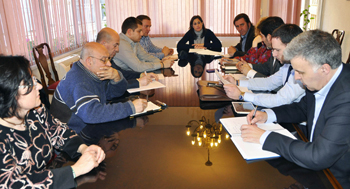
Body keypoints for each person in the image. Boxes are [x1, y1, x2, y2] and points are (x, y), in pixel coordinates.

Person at [241, 30, 350, 188]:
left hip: (335, 179)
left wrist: (265, 137)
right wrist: (267, 115)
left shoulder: (346, 98)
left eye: (300, 72)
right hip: (313, 167)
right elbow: (302, 108)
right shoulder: (320, 79)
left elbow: (318, 156)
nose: (296, 77)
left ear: (324, 69)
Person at [0, 56, 105, 188]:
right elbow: (13, 184)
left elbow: (59, 131)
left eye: (34, 79)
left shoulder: (35, 111)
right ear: (9, 93)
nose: (38, 86)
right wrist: (76, 169)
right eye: (30, 83)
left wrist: (84, 149)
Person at [50, 42, 147, 133]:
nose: (109, 64)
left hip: (87, 128)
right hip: (72, 137)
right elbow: (92, 114)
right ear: (89, 61)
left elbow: (113, 94)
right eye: (104, 60)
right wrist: (130, 107)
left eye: (108, 59)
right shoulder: (79, 81)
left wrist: (117, 78)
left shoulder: (92, 73)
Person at [223, 24, 304, 108]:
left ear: (292, 47)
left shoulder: (301, 71)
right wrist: (237, 82)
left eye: (277, 50)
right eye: (273, 49)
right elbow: (269, 82)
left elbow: (280, 99)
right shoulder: (287, 65)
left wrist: (242, 95)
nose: (274, 54)